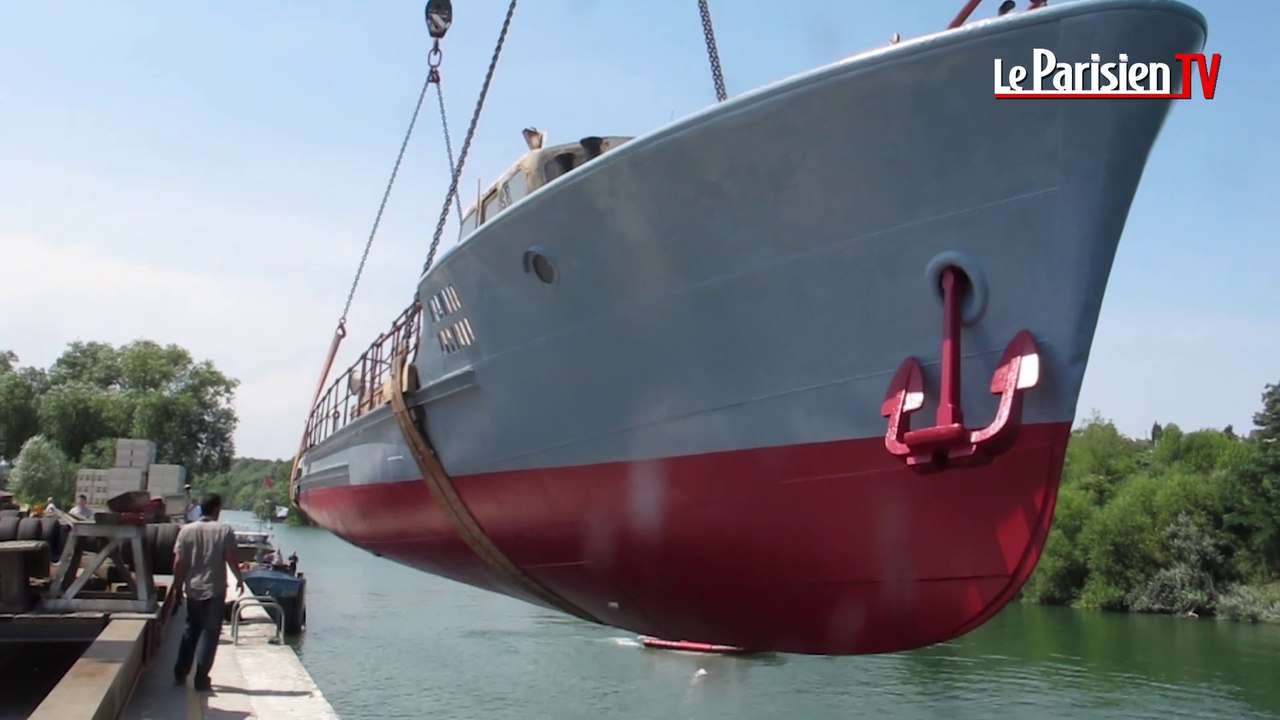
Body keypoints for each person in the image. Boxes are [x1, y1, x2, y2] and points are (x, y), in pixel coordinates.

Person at [172, 493, 245, 691]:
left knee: (191, 630)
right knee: (210, 633)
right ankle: (201, 678)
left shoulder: (186, 531)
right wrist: (239, 579)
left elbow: (178, 563)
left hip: (193, 589)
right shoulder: (224, 530)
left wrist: (178, 589)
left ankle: (180, 672)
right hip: (215, 590)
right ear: (215, 509)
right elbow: (230, 557)